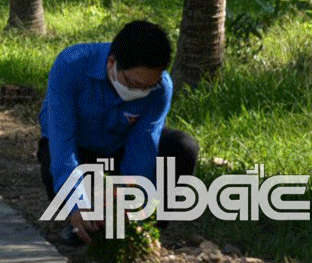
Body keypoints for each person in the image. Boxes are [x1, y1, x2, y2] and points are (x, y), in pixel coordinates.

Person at [39, 20, 200, 245]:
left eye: (148, 86)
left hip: (119, 150)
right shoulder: (70, 65)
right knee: (51, 160)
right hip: (79, 151)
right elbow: (62, 143)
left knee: (183, 148)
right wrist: (78, 204)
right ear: (112, 62)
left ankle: (145, 231)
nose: (141, 91)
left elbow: (143, 147)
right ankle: (79, 225)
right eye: (133, 84)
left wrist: (127, 201)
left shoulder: (161, 88)